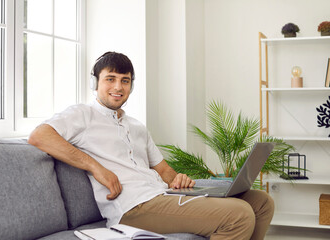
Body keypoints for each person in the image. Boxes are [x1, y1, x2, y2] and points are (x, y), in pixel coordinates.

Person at [28, 51, 274, 240]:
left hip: (162, 195)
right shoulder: (82, 114)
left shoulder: (136, 126)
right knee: (238, 214)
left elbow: (164, 171)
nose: (118, 87)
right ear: (95, 83)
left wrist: (178, 179)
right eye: (110, 79)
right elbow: (39, 136)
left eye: (125, 81)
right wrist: (96, 168)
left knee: (261, 202)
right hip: (133, 207)